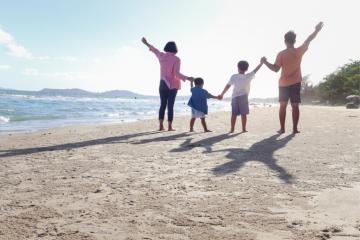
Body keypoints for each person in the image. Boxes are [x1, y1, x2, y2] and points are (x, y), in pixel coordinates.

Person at [262, 22, 323, 134]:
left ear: (285, 41)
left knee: (283, 106)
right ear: (294, 41)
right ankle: (294, 129)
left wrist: (265, 62)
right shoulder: (299, 51)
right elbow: (309, 39)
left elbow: (275, 69)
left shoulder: (281, 54)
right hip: (295, 83)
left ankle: (282, 129)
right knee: (295, 106)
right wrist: (317, 30)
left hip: (283, 84)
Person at [141, 37, 193, 131]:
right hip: (173, 85)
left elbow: (154, 49)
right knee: (170, 106)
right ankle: (169, 126)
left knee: (162, 105)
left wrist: (146, 43)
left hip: (162, 83)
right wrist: (188, 78)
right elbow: (176, 74)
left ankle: (161, 126)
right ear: (175, 49)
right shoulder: (176, 59)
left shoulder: (161, 56)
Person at [219, 59, 264, 133]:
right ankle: (243, 129)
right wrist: (261, 63)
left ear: (237, 67)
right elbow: (256, 70)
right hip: (244, 97)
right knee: (244, 114)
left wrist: (222, 94)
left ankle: (232, 129)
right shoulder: (248, 76)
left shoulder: (234, 76)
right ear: (247, 68)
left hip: (235, 97)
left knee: (234, 114)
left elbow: (228, 86)